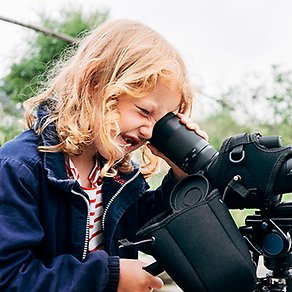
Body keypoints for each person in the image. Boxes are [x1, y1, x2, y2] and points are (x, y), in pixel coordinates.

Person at [0, 19, 207, 291]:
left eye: (161, 122)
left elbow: (150, 225)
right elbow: (9, 276)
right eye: (144, 112)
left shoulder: (117, 175)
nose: (149, 131)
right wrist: (107, 277)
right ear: (95, 84)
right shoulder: (19, 168)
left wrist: (182, 174)